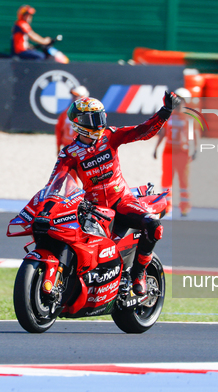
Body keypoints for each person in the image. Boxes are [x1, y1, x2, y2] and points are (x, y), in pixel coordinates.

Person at [45, 91, 180, 296]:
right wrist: (46, 208)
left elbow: (141, 131)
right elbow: (54, 184)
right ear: (79, 122)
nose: (99, 123)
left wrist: (165, 111)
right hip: (93, 208)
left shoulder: (110, 135)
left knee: (153, 226)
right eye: (93, 119)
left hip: (122, 200)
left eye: (101, 117)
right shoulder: (69, 153)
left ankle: (139, 273)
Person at [153, 88, 199, 217]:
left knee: (184, 181)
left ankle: (185, 208)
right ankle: (167, 208)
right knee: (166, 180)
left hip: (182, 153)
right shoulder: (170, 115)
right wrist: (156, 148)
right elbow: (163, 133)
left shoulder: (189, 117)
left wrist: (195, 149)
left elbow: (194, 134)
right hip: (168, 152)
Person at [55, 86, 90, 153]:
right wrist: (58, 146)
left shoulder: (88, 113)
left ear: (83, 97)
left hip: (81, 148)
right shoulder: (66, 112)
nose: (74, 98)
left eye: (76, 96)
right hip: (67, 147)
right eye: (73, 96)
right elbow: (59, 129)